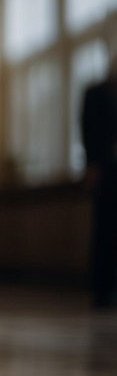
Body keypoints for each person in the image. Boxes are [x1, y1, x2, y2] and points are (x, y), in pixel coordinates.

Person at [82, 60, 117, 309]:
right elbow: (87, 129)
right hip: (105, 170)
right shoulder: (95, 94)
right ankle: (101, 290)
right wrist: (92, 164)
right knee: (104, 230)